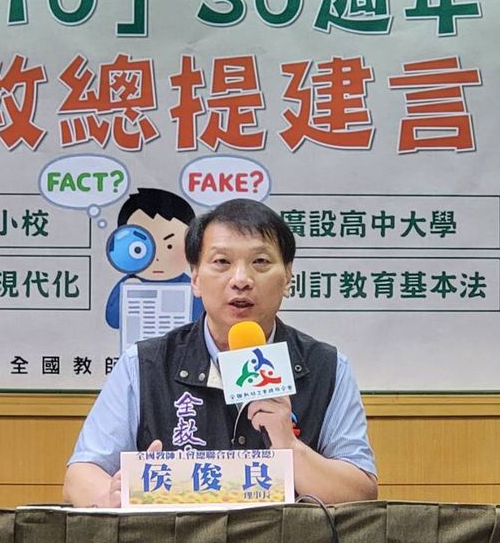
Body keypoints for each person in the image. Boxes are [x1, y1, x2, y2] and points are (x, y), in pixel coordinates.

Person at [67, 198, 378, 506]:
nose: (241, 280)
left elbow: (361, 492)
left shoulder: (327, 367)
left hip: (284, 540)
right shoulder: (144, 364)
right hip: (175, 539)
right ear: (195, 278)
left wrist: (290, 447)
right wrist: (110, 496)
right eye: (221, 262)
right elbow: (80, 475)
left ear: (287, 278)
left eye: (260, 262)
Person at [104, 187, 204, 329]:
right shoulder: (130, 284)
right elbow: (113, 321)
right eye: (139, 249)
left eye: (169, 246)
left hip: (180, 342)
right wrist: (126, 295)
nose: (157, 258)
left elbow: (200, 322)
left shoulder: (191, 286)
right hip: (138, 342)